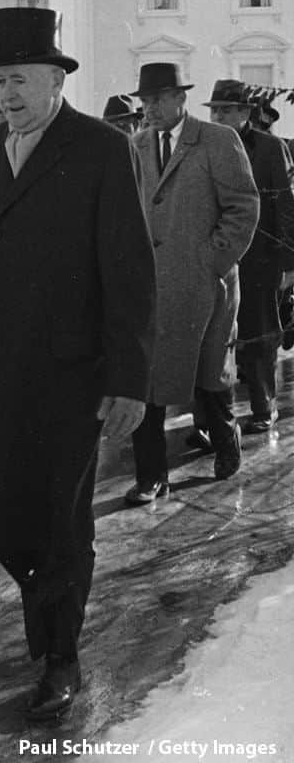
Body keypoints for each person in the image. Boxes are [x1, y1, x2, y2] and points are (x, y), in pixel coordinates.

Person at [0, 7, 156, 723]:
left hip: (71, 374)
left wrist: (129, 379)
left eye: (22, 80)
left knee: (62, 523)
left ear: (58, 79)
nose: (7, 94)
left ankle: (62, 656)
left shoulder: (98, 148)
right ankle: (45, 606)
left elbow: (127, 270)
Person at [123, 63, 258, 505]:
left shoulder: (218, 141)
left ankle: (226, 439)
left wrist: (211, 261)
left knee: (208, 377)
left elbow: (243, 208)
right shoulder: (136, 146)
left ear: (181, 99)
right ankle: (151, 476)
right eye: (145, 101)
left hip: (205, 286)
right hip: (150, 288)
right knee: (148, 382)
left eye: (159, 98)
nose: (150, 109)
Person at [204, 79, 294, 434]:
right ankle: (213, 420)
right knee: (216, 336)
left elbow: (286, 206)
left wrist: (289, 264)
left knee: (260, 334)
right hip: (218, 258)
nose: (220, 116)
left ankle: (263, 406)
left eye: (226, 109)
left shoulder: (270, 149)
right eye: (215, 110)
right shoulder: (205, 146)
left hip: (261, 260)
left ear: (245, 113)